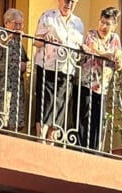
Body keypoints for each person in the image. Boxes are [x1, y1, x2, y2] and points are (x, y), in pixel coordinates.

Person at [32, 0, 85, 142]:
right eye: (66, 1)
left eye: (73, 1)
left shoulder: (78, 23)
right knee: (46, 102)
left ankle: (51, 140)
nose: (69, 4)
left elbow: (79, 47)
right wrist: (45, 38)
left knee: (60, 104)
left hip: (67, 68)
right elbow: (35, 41)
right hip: (47, 65)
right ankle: (40, 137)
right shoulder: (48, 16)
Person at [78, 6, 122, 151]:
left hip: (103, 87)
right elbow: (94, 49)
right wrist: (110, 55)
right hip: (87, 83)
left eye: (108, 24)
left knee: (99, 121)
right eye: (102, 22)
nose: (104, 26)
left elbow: (120, 60)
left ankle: (94, 151)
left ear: (114, 26)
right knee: (84, 118)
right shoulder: (92, 34)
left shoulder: (115, 38)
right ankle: (82, 150)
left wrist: (119, 60)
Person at [0, 7, 27, 132]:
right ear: (6, 23)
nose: (19, 27)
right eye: (16, 24)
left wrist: (22, 65)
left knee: (14, 121)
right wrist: (10, 36)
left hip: (15, 86)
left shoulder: (19, 42)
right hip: (1, 84)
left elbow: (24, 59)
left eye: (20, 24)